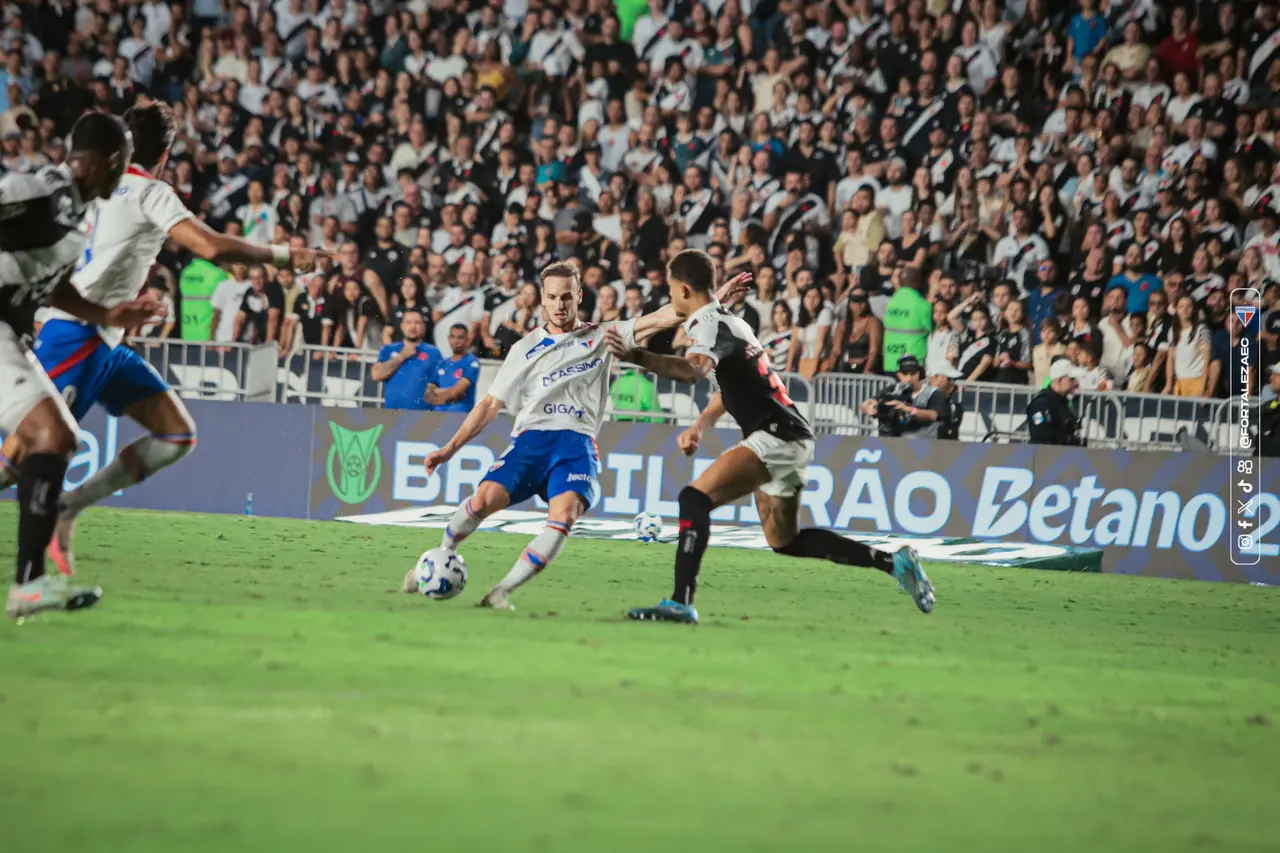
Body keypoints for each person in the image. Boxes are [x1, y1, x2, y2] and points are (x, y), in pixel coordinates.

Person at [3, 102, 322, 581]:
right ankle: (35, 570)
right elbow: (210, 246)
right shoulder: (149, 191)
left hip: (105, 337)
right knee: (18, 458)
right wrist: (285, 256)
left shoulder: (91, 188)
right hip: (75, 335)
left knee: (176, 434)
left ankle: (68, 507)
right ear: (165, 153)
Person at [605, 250, 934, 624]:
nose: (670, 297)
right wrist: (700, 426)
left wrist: (636, 356)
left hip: (774, 435)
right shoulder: (730, 322)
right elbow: (732, 386)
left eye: (670, 290)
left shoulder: (710, 326)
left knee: (693, 499)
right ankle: (894, 563)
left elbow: (692, 371)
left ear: (682, 290)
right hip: (792, 435)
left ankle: (681, 602)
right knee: (784, 540)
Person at [411, 261, 751, 610]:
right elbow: (489, 405)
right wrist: (449, 448)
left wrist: (710, 301)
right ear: (543, 299)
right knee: (483, 500)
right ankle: (442, 554)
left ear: (579, 297)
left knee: (565, 516)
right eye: (552, 297)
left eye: (566, 297)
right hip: (532, 439)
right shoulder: (525, 347)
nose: (559, 305)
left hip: (576, 444)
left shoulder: (603, 334)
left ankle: (501, 592)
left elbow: (667, 316)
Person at [0, 112, 159, 619]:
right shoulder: (40, 190)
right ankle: (29, 584)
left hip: (13, 335)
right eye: (125, 162)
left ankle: (30, 585)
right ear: (110, 161)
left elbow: (55, 288)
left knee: (54, 438)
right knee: (53, 435)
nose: (126, 171)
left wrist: (108, 314)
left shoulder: (80, 215)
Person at [371, 309, 440, 410]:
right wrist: (401, 357)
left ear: (424, 327)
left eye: (417, 323)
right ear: (402, 326)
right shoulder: (389, 349)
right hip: (392, 414)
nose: (413, 326)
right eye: (408, 322)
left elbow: (439, 384)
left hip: (423, 415)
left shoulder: (434, 352)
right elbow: (376, 375)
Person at [1026, 358, 1083, 446]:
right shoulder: (1040, 405)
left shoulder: (1063, 402)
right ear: (1059, 380)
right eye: (1072, 379)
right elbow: (1041, 440)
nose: (1076, 383)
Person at [427, 323, 481, 412]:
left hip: (460, 416)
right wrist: (450, 395)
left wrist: (438, 395)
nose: (456, 341)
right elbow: (428, 395)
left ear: (467, 340)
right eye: (453, 337)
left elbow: (456, 392)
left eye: (460, 337)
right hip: (437, 415)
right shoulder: (442, 364)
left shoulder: (471, 362)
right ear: (449, 339)